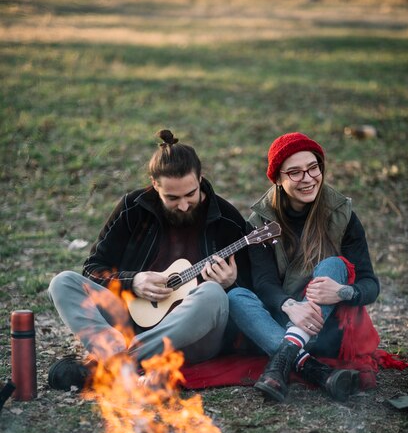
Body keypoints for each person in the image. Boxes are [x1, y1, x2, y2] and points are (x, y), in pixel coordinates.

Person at [48, 129, 252, 390]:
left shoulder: (227, 219)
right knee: (63, 282)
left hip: (189, 340)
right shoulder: (134, 208)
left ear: (200, 178)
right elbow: (92, 270)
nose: (184, 205)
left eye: (190, 194)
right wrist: (133, 281)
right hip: (132, 321)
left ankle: (119, 364)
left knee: (213, 293)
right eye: (172, 198)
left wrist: (232, 283)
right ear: (155, 185)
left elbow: (251, 294)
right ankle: (125, 362)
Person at [228, 132, 380, 403]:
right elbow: (263, 283)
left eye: (313, 168)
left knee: (333, 265)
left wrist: (343, 292)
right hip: (278, 322)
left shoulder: (342, 215)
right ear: (278, 178)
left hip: (324, 326)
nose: (308, 178)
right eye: (295, 173)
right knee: (235, 297)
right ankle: (318, 371)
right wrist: (289, 306)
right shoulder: (261, 221)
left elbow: (370, 285)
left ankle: (284, 360)